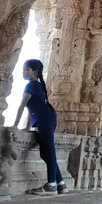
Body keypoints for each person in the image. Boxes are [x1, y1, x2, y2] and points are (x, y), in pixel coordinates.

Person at [12, 59, 66, 196]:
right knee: (45, 152)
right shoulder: (38, 86)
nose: (23, 72)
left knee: (49, 150)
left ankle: (51, 185)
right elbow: (33, 108)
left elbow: (22, 106)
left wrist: (14, 125)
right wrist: (25, 126)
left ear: (34, 72)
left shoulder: (31, 85)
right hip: (48, 119)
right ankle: (60, 183)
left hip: (45, 120)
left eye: (26, 69)